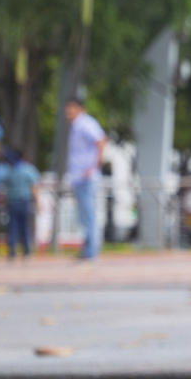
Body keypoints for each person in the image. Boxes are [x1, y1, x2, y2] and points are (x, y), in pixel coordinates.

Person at [63, 98, 107, 262]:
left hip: (87, 177)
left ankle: (91, 251)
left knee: (88, 215)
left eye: (71, 109)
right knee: (84, 215)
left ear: (80, 109)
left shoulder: (86, 123)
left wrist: (95, 166)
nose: (68, 112)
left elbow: (101, 140)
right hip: (79, 177)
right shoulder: (76, 126)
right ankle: (87, 249)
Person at [0, 148, 39, 261]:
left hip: (11, 202)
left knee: (12, 228)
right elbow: (34, 187)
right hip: (24, 201)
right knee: (25, 228)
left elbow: (2, 186)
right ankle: (27, 253)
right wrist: (38, 202)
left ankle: (12, 253)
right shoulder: (29, 170)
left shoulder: (9, 170)